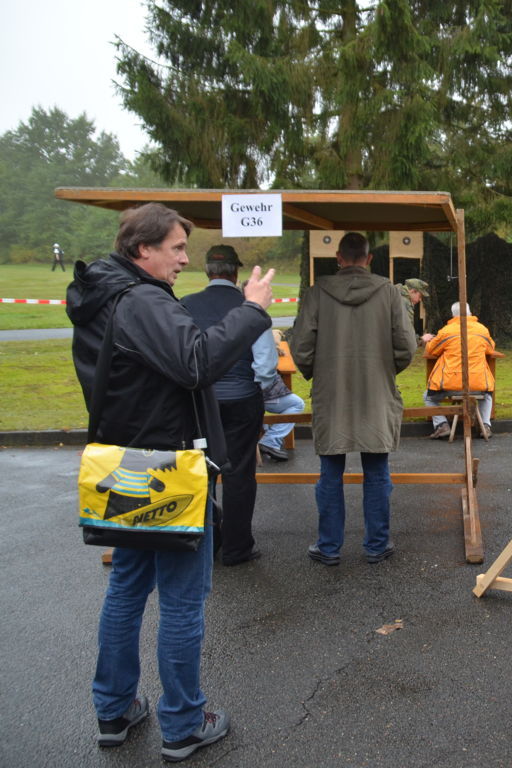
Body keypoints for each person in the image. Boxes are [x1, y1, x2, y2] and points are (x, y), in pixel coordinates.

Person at [66, 203, 274, 761]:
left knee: (127, 587)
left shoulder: (107, 295)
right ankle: (183, 722)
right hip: (167, 470)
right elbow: (197, 360)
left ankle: (114, 709)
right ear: (143, 250)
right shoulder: (140, 300)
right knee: (182, 600)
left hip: (124, 462)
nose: (186, 258)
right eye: (178, 248)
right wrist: (252, 311)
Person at [291, 232, 415, 566]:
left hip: (332, 395)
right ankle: (376, 545)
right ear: (369, 258)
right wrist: (384, 372)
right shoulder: (390, 293)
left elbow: (301, 347)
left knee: (330, 471)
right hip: (377, 392)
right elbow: (406, 345)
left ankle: (328, 547)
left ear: (339, 258)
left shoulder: (317, 292)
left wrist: (319, 373)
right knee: (377, 471)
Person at [180, 245, 267, 566]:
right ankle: (237, 547)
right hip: (243, 397)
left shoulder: (186, 305)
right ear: (236, 273)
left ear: (207, 272)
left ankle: (202, 542)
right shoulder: (249, 306)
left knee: (199, 472)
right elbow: (266, 365)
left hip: (200, 401)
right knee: (240, 473)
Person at [422, 301, 497, 441]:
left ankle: (442, 425)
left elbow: (431, 349)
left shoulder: (446, 331)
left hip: (451, 384)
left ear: (453, 315)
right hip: (478, 384)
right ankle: (485, 426)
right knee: (487, 395)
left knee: (428, 397)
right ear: (470, 312)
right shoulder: (482, 330)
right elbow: (490, 347)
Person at [256, 329, 306, 462]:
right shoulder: (261, 342)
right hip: (262, 393)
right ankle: (270, 441)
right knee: (297, 404)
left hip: (244, 392)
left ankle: (267, 437)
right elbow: (273, 338)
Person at [396, 277, 435, 344]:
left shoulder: (394, 297)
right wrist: (421, 339)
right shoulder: (405, 303)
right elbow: (405, 335)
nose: (419, 300)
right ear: (413, 291)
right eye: (420, 296)